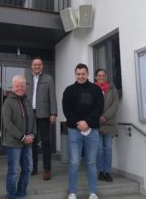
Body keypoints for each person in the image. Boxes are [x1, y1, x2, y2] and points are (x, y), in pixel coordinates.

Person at [62, 63, 104, 199]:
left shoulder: (96, 89)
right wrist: (77, 123)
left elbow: (99, 108)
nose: (80, 76)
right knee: (74, 162)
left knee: (91, 162)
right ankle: (72, 192)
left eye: (83, 74)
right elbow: (67, 110)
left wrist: (87, 122)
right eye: (78, 74)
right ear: (75, 74)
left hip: (92, 130)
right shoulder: (68, 90)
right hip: (74, 130)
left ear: (87, 74)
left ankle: (93, 192)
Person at [2, 75, 37, 199]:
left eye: (22, 86)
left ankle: (21, 193)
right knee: (13, 171)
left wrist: (32, 135)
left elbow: (33, 120)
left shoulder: (27, 102)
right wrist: (22, 137)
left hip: (28, 143)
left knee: (28, 169)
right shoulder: (8, 102)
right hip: (14, 144)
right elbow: (7, 123)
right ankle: (12, 195)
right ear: (13, 87)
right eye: (17, 86)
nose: (20, 88)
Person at [25, 57, 57, 181]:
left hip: (44, 114)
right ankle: (33, 168)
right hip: (30, 114)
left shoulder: (48, 78)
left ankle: (47, 169)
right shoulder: (26, 77)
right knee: (31, 142)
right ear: (31, 66)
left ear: (42, 66)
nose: (37, 66)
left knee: (46, 142)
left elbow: (52, 96)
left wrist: (53, 113)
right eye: (34, 65)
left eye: (39, 64)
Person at [95, 69, 119, 182]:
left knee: (108, 149)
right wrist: (97, 117)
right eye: (99, 75)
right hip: (96, 123)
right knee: (99, 149)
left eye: (103, 75)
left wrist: (104, 117)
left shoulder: (112, 89)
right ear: (96, 77)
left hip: (109, 122)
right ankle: (100, 171)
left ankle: (107, 172)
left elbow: (115, 104)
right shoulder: (92, 88)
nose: (101, 77)